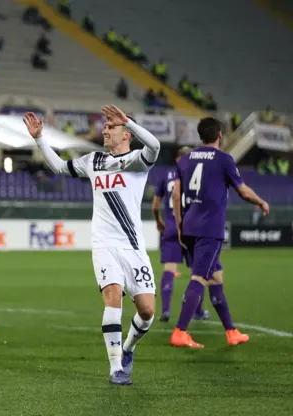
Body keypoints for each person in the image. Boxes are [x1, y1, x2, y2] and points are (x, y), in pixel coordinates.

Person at [24, 105, 161, 386]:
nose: (105, 130)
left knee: (147, 312)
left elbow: (155, 145)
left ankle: (127, 349)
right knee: (112, 296)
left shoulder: (137, 160)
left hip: (133, 247)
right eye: (106, 126)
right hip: (104, 244)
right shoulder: (94, 160)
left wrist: (129, 122)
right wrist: (39, 139)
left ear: (127, 135)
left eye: (112, 127)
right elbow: (60, 167)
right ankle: (115, 368)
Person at [170, 117, 269, 348]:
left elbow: (177, 195)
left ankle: (231, 331)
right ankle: (180, 331)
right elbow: (243, 192)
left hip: (190, 225)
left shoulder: (185, 159)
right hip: (209, 228)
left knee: (216, 276)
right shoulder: (224, 159)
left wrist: (180, 225)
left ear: (200, 135)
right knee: (200, 277)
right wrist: (261, 201)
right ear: (220, 136)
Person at [152, 147, 210, 322]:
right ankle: (198, 311)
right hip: (193, 226)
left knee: (169, 268)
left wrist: (159, 221)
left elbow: (155, 206)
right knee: (197, 270)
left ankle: (166, 311)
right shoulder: (197, 176)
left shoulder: (165, 175)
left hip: (170, 225)